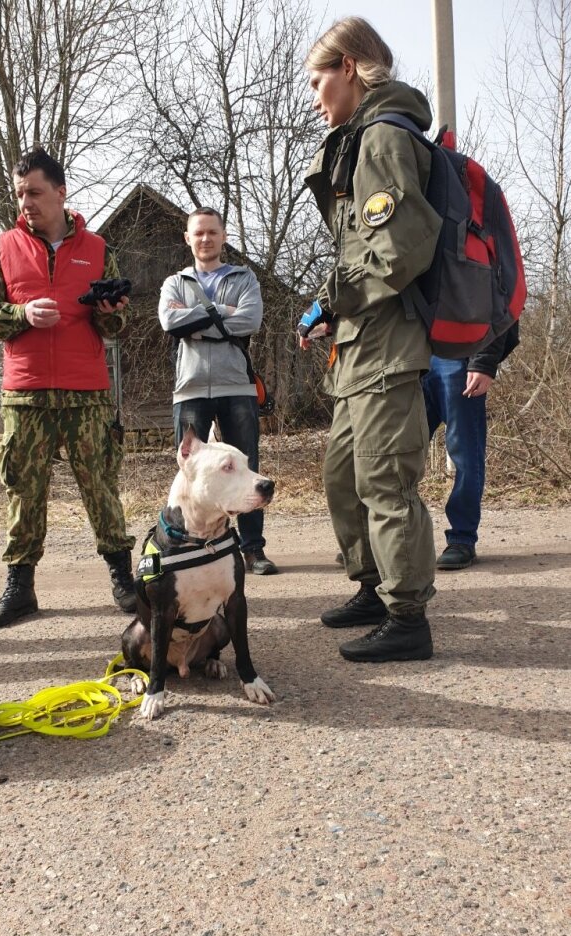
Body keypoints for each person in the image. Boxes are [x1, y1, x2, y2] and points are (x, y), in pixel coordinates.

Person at [300, 17, 441, 662]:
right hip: (358, 346)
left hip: (387, 342)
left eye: (319, 77)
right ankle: (372, 587)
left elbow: (400, 250)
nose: (315, 93)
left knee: (385, 481)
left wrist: (339, 295)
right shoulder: (357, 140)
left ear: (351, 67)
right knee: (340, 476)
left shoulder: (383, 136)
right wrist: (335, 305)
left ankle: (407, 616)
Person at [0, 147, 136, 628]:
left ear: (61, 193)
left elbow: (120, 322)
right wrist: (20, 315)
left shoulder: (99, 249)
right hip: (24, 396)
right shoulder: (1, 248)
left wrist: (111, 315)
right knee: (23, 492)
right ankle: (20, 588)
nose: (26, 202)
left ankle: (123, 579)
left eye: (35, 192)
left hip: (87, 393)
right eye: (20, 193)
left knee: (101, 487)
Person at [158, 207, 277, 575]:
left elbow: (250, 320)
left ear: (223, 236)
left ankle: (252, 550)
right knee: (192, 468)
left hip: (236, 385)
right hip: (189, 388)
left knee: (244, 467)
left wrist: (195, 318)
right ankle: (189, 546)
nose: (206, 239)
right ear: (187, 238)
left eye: (212, 232)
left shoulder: (244, 278)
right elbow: (169, 321)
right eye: (199, 233)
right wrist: (222, 314)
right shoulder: (174, 283)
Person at [423, 324, 519, 570]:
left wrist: (484, 362)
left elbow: (502, 301)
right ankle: (390, 540)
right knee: (398, 451)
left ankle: (462, 538)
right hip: (410, 355)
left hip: (458, 357)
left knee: (466, 453)